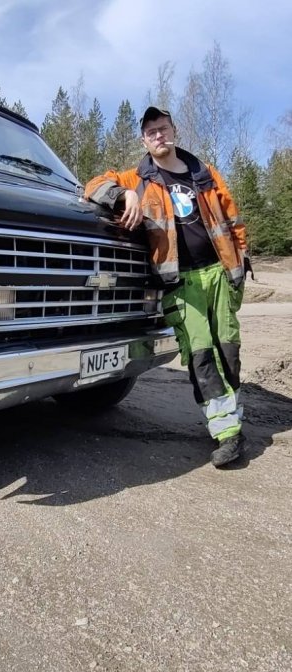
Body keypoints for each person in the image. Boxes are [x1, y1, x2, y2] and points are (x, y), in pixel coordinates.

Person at [84, 106, 252, 467]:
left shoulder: (204, 173)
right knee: (201, 353)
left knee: (228, 349)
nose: (158, 135)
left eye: (163, 128)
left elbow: (232, 218)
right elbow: (93, 185)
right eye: (151, 132)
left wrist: (240, 263)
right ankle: (227, 433)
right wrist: (125, 195)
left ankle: (232, 417)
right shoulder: (137, 178)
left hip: (219, 273)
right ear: (144, 141)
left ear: (174, 131)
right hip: (180, 282)